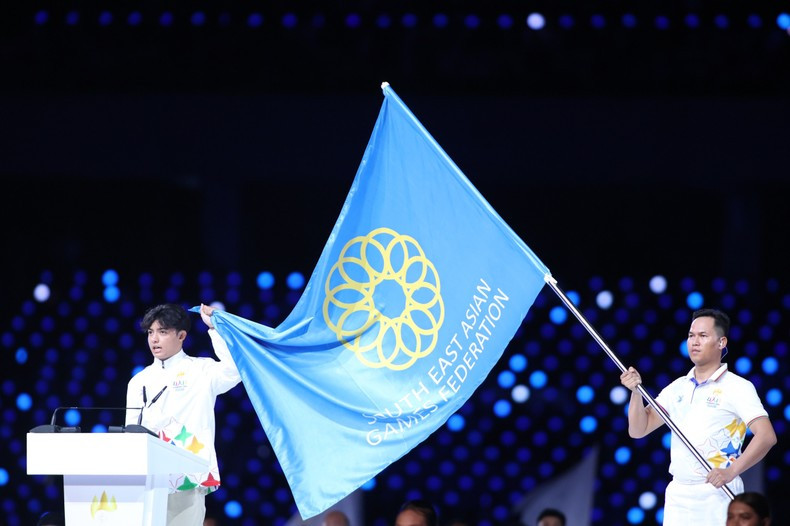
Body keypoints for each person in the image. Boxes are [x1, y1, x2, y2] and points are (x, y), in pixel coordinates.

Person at [620, 308, 777, 525]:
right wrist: (636, 393)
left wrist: (731, 472)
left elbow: (767, 436)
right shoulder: (677, 388)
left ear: (722, 342)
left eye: (703, 336)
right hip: (679, 494)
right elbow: (638, 430)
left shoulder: (738, 387)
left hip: (717, 493)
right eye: (691, 335)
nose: (694, 342)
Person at [125, 303, 241, 526]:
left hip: (188, 478)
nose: (154, 339)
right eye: (151, 332)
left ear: (181, 336)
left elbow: (235, 369)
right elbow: (130, 432)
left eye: (163, 331)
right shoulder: (138, 381)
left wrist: (215, 329)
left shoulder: (201, 371)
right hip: (148, 481)